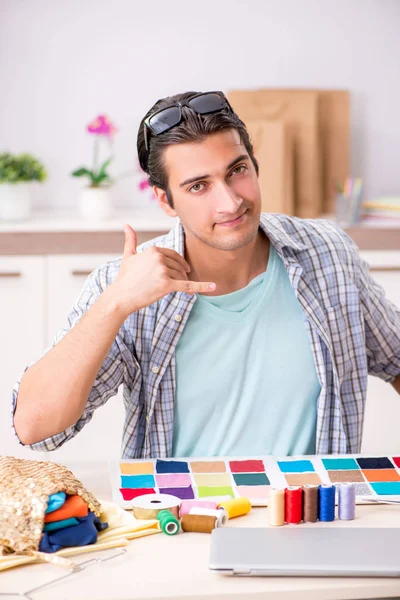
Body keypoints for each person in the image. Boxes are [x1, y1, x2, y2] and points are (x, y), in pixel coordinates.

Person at [12, 90, 400, 459]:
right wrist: (113, 304)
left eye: (237, 171)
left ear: (254, 164)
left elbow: (395, 357)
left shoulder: (327, 254)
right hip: (183, 521)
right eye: (199, 186)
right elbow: (35, 429)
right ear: (165, 200)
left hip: (313, 515)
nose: (230, 202)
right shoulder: (125, 288)